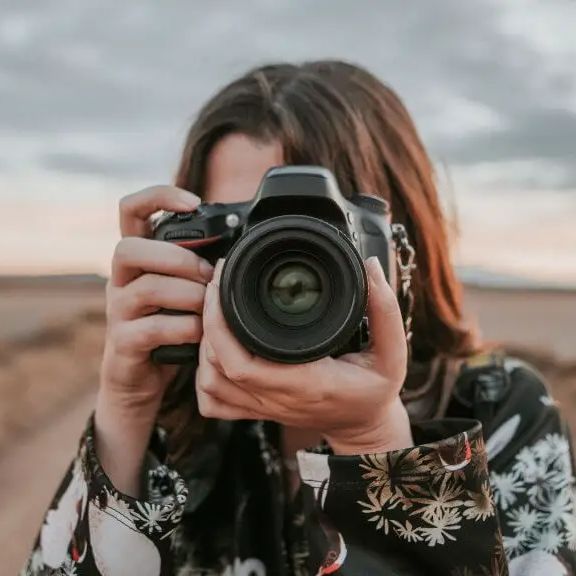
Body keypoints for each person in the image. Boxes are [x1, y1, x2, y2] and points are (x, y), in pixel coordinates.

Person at [21, 61, 576, 576]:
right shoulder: (173, 433)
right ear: (191, 249)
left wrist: (375, 440)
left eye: (329, 235)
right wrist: (127, 409)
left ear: (403, 251)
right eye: (249, 235)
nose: (286, 276)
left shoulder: (502, 412)